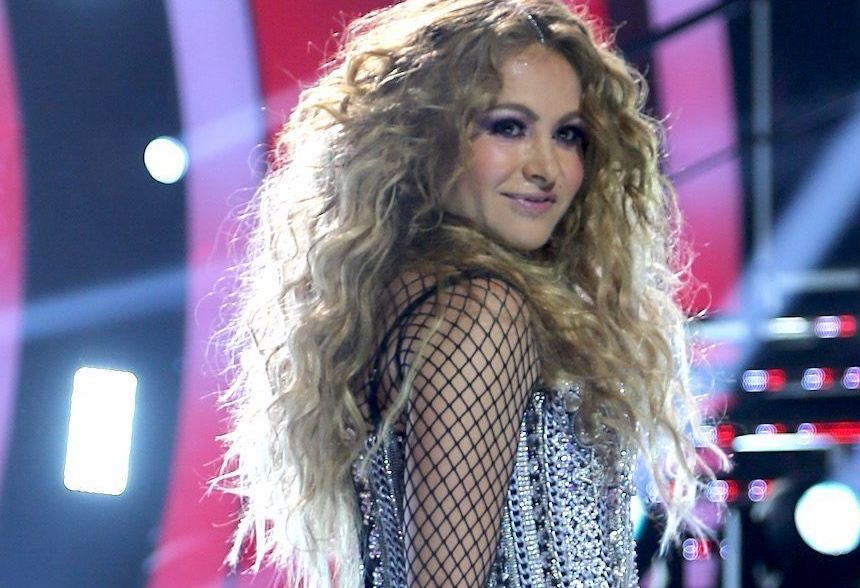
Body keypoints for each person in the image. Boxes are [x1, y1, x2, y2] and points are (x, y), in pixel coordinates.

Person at [215, 0, 725, 586]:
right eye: (509, 127)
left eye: (568, 135)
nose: (546, 167)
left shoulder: (411, 298)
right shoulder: (480, 312)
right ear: (430, 133)